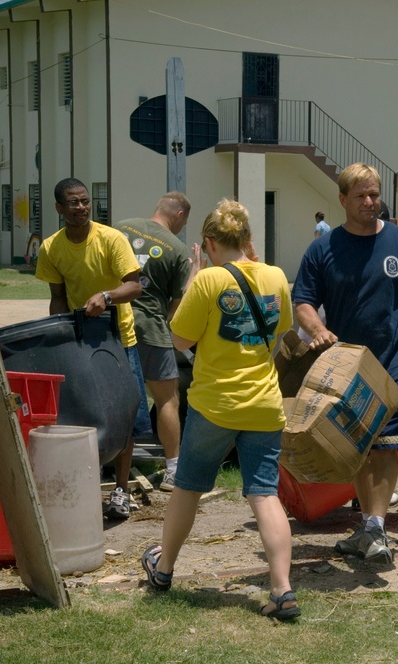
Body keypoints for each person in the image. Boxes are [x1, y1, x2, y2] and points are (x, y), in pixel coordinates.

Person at [140, 199, 299, 621]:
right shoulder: (276, 275)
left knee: (188, 486)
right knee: (264, 494)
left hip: (215, 406)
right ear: (247, 240)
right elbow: (282, 332)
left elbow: (178, 340)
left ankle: (164, 568)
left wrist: (193, 278)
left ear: (209, 243)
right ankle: (282, 589)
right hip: (265, 405)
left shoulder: (208, 280)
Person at [293, 163, 398, 564]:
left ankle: (376, 527)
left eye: (375, 194)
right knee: (359, 444)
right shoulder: (323, 249)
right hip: (347, 362)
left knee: (389, 436)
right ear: (343, 200)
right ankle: (368, 527)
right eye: (361, 196)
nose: (369, 202)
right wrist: (316, 330)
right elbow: (304, 303)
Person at [34, 177, 151, 520]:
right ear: (59, 208)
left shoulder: (111, 239)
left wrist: (108, 296)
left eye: (85, 201)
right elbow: (57, 298)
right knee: (84, 414)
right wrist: (60, 334)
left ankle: (121, 489)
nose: (82, 207)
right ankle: (87, 484)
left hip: (118, 339)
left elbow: (135, 285)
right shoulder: (52, 248)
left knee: (124, 416)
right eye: (73, 202)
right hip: (80, 339)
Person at [117, 193, 199, 492]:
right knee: (167, 398)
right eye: (184, 222)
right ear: (179, 215)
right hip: (151, 328)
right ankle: (173, 468)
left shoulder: (121, 228)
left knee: (116, 397)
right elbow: (177, 309)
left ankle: (107, 459)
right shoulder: (178, 250)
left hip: (114, 324)